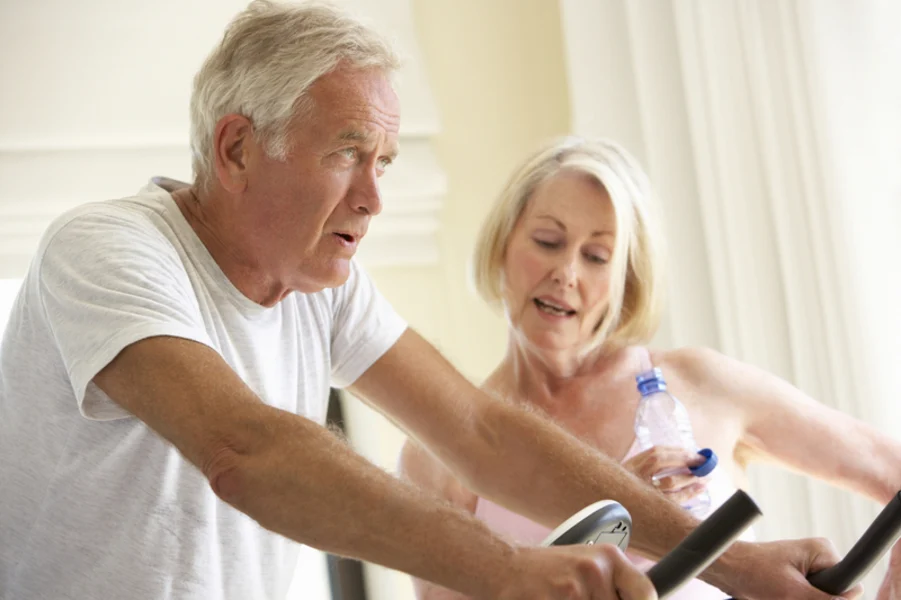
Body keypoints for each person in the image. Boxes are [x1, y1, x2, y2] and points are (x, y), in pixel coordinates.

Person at [0, 2, 858, 599]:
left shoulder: (319, 287)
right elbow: (245, 450)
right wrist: (506, 572)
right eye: (346, 153)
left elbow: (479, 433)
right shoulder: (109, 251)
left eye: (385, 161)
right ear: (236, 147)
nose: (373, 198)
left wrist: (733, 566)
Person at [400, 135, 901, 599]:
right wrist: (612, 515)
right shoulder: (438, 451)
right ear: (503, 245)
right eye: (548, 242)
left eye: (597, 256)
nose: (566, 273)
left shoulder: (702, 385)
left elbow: (891, 470)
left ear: (629, 280)